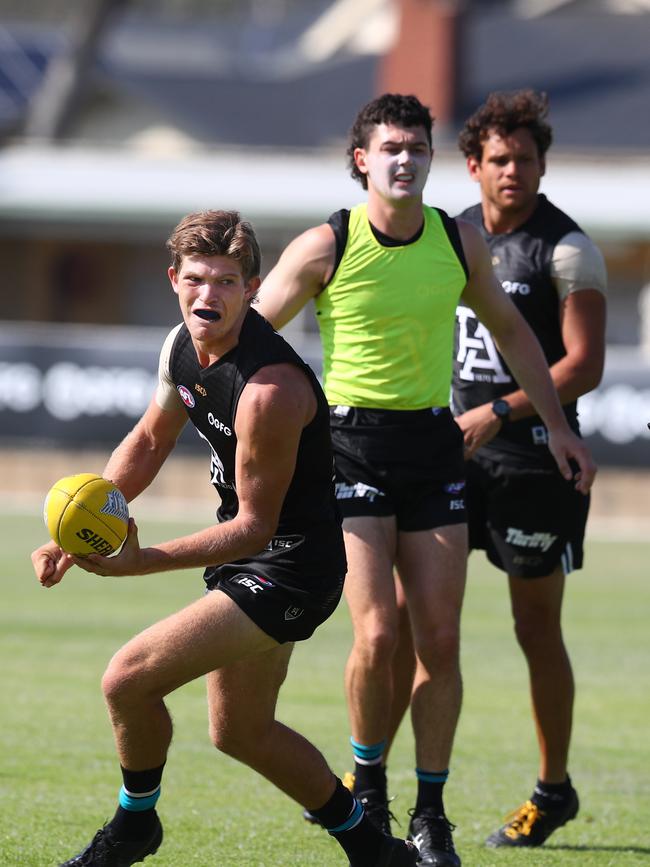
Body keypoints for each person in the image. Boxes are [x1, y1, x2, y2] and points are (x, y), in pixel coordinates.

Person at [256, 93, 596, 867]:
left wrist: (561, 427)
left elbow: (514, 335)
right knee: (378, 631)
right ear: (362, 161)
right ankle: (366, 789)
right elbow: (252, 334)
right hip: (349, 445)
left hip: (432, 445)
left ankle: (430, 812)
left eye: (416, 147)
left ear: (432, 160)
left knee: (439, 639)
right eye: (390, 148)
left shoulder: (458, 240)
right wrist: (230, 411)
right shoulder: (326, 244)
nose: (404, 159)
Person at [31, 210, 420, 867]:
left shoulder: (269, 389)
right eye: (196, 279)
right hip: (252, 557)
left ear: (252, 287)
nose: (207, 294)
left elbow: (254, 525)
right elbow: (151, 439)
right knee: (241, 731)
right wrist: (83, 530)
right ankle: (376, 851)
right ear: (173, 279)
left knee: (127, 678)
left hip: (292, 565)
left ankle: (134, 827)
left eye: (225, 282)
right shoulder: (180, 347)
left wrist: (137, 561)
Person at [453, 89, 607, 848]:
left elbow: (583, 366)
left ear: (544, 164)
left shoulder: (567, 248)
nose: (515, 170)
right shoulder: (444, 240)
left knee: (534, 627)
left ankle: (553, 791)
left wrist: (501, 412)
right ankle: (383, 781)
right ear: (474, 165)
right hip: (448, 464)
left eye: (528, 158)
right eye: (500, 158)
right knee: (415, 619)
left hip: (533, 466)